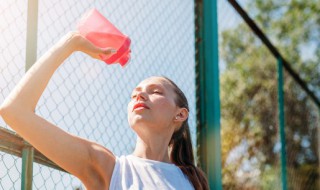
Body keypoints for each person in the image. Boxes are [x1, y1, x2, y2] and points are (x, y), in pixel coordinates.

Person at [0, 32, 208, 190]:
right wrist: (71, 43)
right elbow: (14, 110)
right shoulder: (109, 168)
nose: (140, 95)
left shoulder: (193, 180)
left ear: (180, 114)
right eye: (134, 94)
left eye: (155, 91)